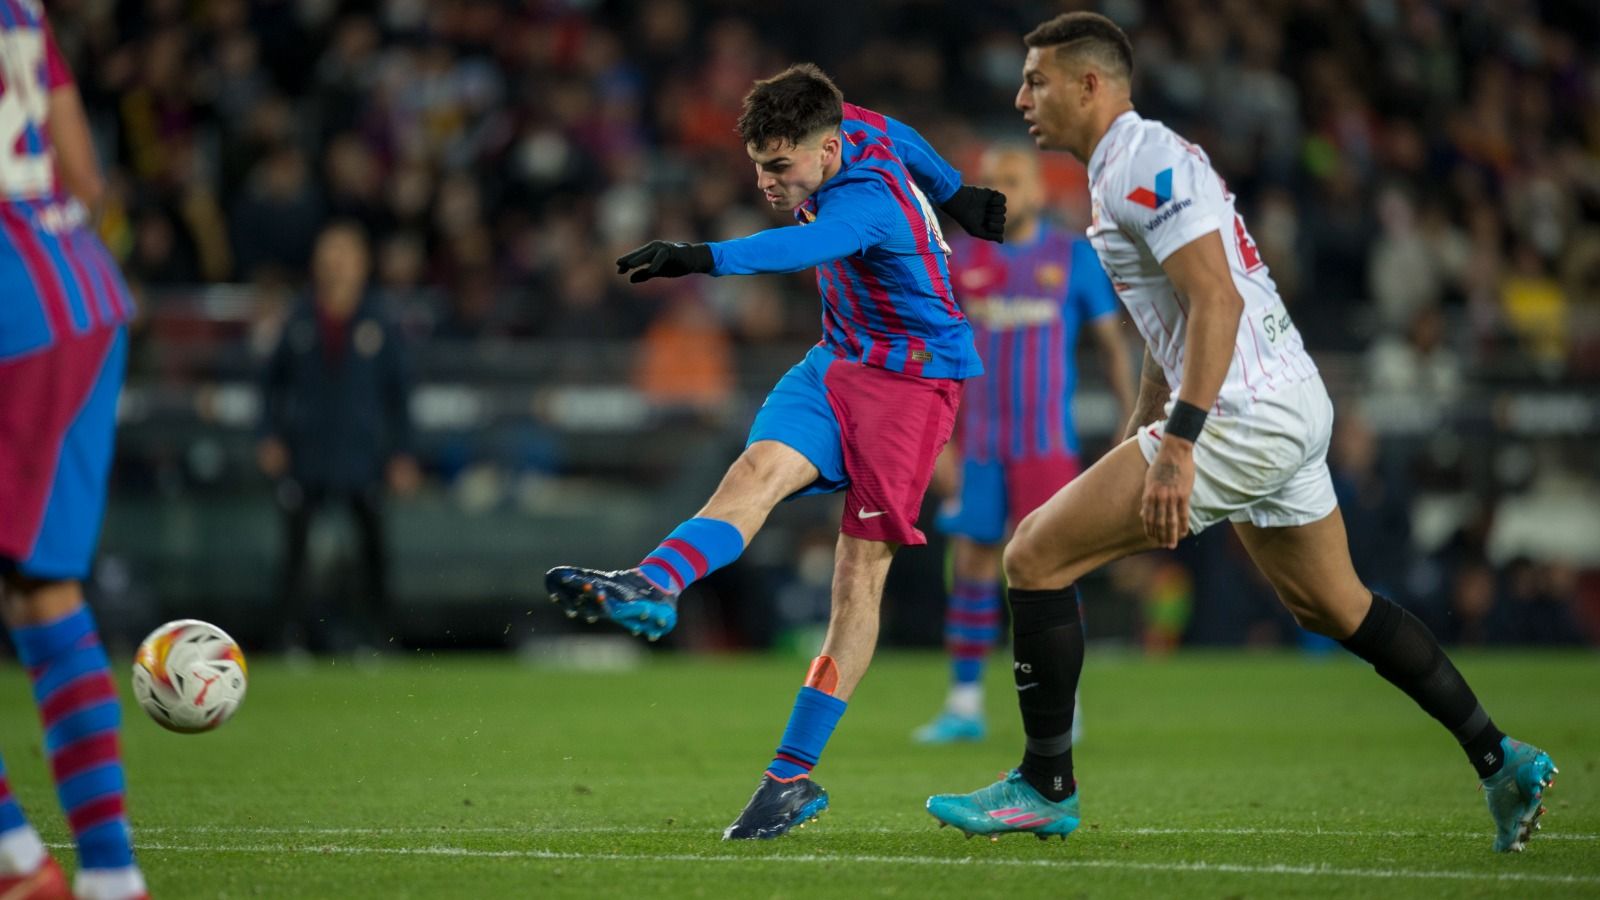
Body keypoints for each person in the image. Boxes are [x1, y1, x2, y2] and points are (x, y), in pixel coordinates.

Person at [925, 12, 1556, 853]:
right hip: (1285, 401)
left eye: (1036, 80)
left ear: (1090, 84)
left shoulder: (1140, 161)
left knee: (1033, 554)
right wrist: (1144, 428)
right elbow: (1177, 323)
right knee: (1333, 604)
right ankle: (1501, 758)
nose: (1021, 96)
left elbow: (1215, 298)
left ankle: (1045, 784)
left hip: (1243, 411)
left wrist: (1176, 446)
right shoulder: (1127, 165)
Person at [545, 63, 1005, 840]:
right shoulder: (847, 125)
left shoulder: (867, 203)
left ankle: (790, 778)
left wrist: (700, 257)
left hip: (912, 386)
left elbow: (800, 251)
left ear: (827, 152)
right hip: (838, 359)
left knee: (858, 576)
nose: (766, 179)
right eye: (758, 163)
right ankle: (654, 585)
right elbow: (896, 128)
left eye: (780, 166)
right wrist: (956, 190)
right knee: (752, 470)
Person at [0, 5, 149, 898]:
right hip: (85, 290)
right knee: (40, 593)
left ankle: (16, 857)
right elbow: (86, 174)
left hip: (11, 309)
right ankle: (109, 878)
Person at [914, 146, 1133, 744]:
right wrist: (939, 447)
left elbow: (1112, 349)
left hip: (1047, 449)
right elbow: (935, 362)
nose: (1000, 190)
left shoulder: (1073, 258)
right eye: (990, 182)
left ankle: (1067, 703)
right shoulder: (959, 262)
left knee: (1053, 571)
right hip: (979, 446)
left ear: (1037, 189)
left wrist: (1129, 423)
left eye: (1012, 180)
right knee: (973, 566)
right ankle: (963, 704)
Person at [259, 220, 418, 654]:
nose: (336, 266)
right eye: (329, 257)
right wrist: (269, 436)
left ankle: (380, 640)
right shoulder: (299, 319)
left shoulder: (378, 321)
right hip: (307, 453)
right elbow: (270, 384)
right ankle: (288, 641)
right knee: (294, 557)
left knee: (373, 556)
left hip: (361, 456)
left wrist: (402, 452)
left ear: (362, 264)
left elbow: (399, 394)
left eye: (344, 257)